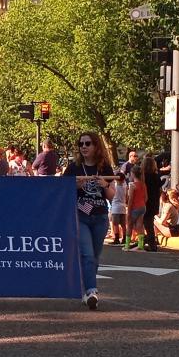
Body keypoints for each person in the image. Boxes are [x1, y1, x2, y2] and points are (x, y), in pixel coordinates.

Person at [63, 132, 115, 310]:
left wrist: (105, 185)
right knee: (87, 254)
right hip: (80, 216)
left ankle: (86, 292)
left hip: (100, 216)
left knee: (95, 256)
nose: (83, 147)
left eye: (88, 143)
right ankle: (92, 291)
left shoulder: (105, 168)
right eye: (81, 144)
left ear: (96, 146)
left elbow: (111, 196)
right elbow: (61, 192)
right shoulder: (73, 168)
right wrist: (73, 186)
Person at [141, 154, 162, 251]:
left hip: (145, 201)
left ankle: (151, 244)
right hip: (154, 202)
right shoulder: (156, 176)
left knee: (146, 223)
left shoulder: (143, 177)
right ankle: (148, 241)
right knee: (149, 222)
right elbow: (159, 189)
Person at [125, 166, 147, 250]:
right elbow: (146, 197)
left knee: (129, 226)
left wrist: (129, 212)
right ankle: (140, 245)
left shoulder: (132, 185)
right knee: (139, 226)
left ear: (132, 174)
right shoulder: (143, 184)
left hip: (134, 207)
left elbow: (130, 199)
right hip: (142, 207)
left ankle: (127, 245)